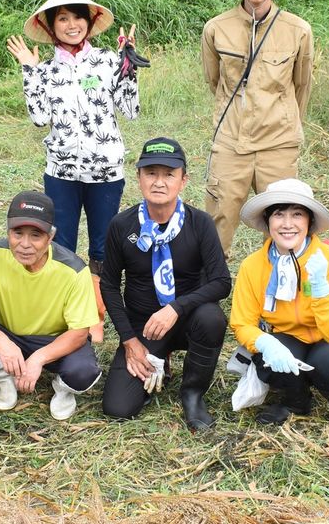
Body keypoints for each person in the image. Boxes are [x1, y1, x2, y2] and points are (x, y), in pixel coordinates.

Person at [6, 0, 141, 336]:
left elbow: (130, 110)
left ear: (89, 21)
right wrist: (29, 71)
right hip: (61, 171)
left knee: (102, 244)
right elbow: (39, 118)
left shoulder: (109, 61)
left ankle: (96, 314)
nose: (71, 25)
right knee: (61, 242)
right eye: (62, 18)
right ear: (51, 27)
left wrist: (129, 65)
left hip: (106, 170)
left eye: (77, 17)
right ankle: (64, 310)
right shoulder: (47, 70)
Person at [99, 138, 231, 430]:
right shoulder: (122, 226)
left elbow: (222, 282)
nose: (159, 182)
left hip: (187, 319)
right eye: (151, 173)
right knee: (118, 408)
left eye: (169, 174)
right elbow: (108, 285)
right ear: (139, 178)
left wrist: (176, 308)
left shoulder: (200, 223)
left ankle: (193, 393)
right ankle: (156, 357)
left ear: (183, 181)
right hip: (143, 326)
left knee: (212, 318)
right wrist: (129, 340)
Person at [230, 179, 329, 440]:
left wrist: (320, 289)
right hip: (288, 336)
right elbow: (241, 323)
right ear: (268, 221)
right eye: (279, 214)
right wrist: (265, 343)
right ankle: (296, 401)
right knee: (266, 354)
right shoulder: (253, 265)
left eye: (297, 214)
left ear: (309, 223)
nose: (287, 224)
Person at [201, 0, 314, 255]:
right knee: (219, 214)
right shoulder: (216, 29)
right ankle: (211, 288)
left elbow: (301, 85)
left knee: (284, 218)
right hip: (230, 139)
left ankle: (281, 282)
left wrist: (284, 123)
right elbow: (215, 81)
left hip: (278, 142)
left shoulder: (298, 30)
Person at [0, 191, 102, 421]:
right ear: (8, 231)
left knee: (83, 372)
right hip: (12, 336)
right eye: (17, 233)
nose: (25, 244)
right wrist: (2, 342)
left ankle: (62, 390)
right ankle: (5, 380)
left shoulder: (73, 269)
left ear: (50, 236)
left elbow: (80, 333)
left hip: (55, 339)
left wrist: (39, 358)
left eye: (36, 235)